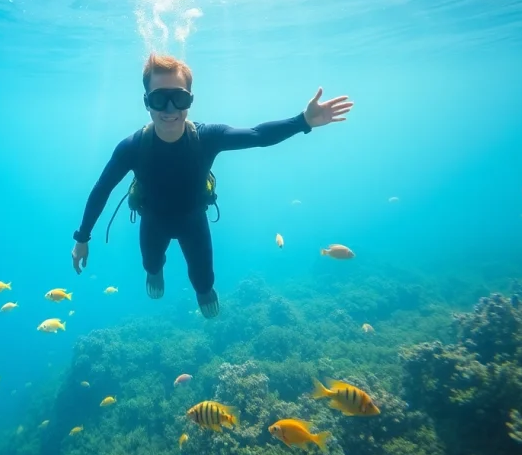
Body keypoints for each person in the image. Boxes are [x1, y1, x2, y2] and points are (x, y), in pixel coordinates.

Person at [70, 54, 353, 318]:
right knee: (152, 265)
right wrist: (82, 238)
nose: (170, 109)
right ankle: (155, 273)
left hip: (194, 222)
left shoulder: (207, 137)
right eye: (160, 99)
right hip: (153, 222)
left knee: (204, 281)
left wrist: (303, 121)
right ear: (146, 102)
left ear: (190, 100)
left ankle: (201, 291)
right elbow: (102, 189)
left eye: (179, 98)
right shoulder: (132, 147)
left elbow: (257, 135)